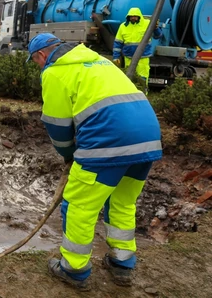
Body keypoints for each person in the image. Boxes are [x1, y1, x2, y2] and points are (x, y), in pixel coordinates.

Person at [27, 33, 162, 290]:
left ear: (42, 56)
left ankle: (74, 269)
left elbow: (57, 124)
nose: (39, 67)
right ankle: (122, 264)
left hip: (107, 142)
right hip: (148, 139)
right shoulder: (98, 61)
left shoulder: (54, 71)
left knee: (79, 206)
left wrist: (68, 155)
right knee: (122, 202)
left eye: (36, 62)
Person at [113, 7, 162, 83]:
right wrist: (116, 57)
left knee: (142, 78)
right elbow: (117, 43)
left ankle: (143, 93)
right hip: (129, 57)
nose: (133, 18)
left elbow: (158, 36)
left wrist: (156, 28)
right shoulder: (123, 26)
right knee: (129, 79)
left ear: (139, 16)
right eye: (131, 16)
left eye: (135, 16)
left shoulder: (147, 23)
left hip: (143, 58)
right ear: (128, 17)